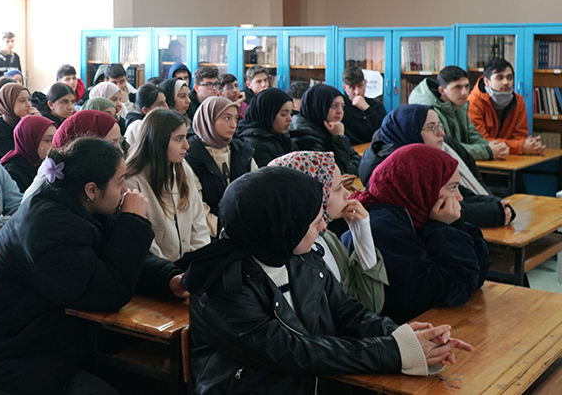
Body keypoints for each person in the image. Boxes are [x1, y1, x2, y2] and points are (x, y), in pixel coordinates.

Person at [183, 166, 473, 395]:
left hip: (317, 383)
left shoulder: (298, 254)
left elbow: (348, 311)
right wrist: (396, 352)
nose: (323, 226)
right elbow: (295, 352)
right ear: (281, 227)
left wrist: (403, 336)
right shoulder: (223, 287)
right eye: (312, 222)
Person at [0, 137, 186, 395]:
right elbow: (108, 291)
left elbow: (119, 259)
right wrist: (132, 221)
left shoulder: (81, 206)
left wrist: (168, 279)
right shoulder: (49, 227)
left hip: (49, 338)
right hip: (7, 353)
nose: (125, 190)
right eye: (119, 181)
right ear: (91, 189)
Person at [350, 144, 491, 324]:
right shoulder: (383, 228)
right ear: (422, 186)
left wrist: (451, 225)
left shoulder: (418, 212)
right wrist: (443, 229)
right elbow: (452, 291)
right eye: (453, 188)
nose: (460, 198)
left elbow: (478, 273)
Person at [268, 151, 387, 313]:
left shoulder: (327, 238)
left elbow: (369, 304)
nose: (347, 194)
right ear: (313, 196)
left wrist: (362, 234)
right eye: (337, 188)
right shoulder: (294, 256)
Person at [359, 104, 515, 228]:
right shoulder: (393, 169)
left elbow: (460, 190)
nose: (441, 133)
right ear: (410, 132)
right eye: (432, 128)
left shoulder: (441, 150)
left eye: (439, 126)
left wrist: (495, 203)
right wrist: (495, 212)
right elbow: (438, 208)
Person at [126, 109, 210, 261]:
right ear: (158, 141)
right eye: (179, 139)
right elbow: (147, 243)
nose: (187, 146)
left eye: (186, 137)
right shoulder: (132, 181)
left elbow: (198, 224)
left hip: (190, 266)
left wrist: (198, 262)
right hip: (160, 273)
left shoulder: (183, 169)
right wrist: (171, 272)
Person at [187, 96, 256, 237]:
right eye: (226, 118)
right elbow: (196, 205)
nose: (233, 125)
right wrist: (222, 229)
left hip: (244, 227)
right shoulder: (191, 154)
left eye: (235, 118)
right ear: (209, 120)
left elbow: (256, 189)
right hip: (207, 233)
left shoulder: (242, 150)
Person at [409, 65, 507, 161]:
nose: (464, 92)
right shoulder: (428, 112)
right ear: (442, 90)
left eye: (467, 86)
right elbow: (445, 148)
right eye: (457, 87)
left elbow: (473, 137)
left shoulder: (459, 105)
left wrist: (493, 147)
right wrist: (487, 151)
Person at [468, 57, 543, 155]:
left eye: (509, 78)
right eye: (500, 78)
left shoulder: (518, 101)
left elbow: (520, 136)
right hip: (485, 157)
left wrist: (522, 145)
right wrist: (520, 146)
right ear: (486, 81)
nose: (506, 82)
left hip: (509, 157)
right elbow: (482, 141)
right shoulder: (474, 102)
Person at [289, 83, 361, 175]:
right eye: (334, 106)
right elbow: (336, 173)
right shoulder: (303, 135)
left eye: (342, 106)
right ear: (318, 106)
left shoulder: (329, 127)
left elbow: (357, 160)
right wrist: (339, 137)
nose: (340, 111)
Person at [235, 87, 295, 166]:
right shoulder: (254, 144)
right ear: (267, 114)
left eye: (290, 113)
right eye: (284, 114)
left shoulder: (280, 134)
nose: (290, 119)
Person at [0, 115, 57, 192]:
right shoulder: (13, 173)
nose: (54, 145)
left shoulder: (49, 163)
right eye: (48, 140)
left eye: (55, 139)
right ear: (29, 141)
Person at [341, 66, 387, 145]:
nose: (357, 92)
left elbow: (384, 132)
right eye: (352, 88)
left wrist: (367, 109)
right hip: (349, 151)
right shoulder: (341, 106)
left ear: (365, 83)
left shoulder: (376, 106)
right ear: (345, 88)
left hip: (371, 151)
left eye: (360, 86)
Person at [0, 83, 35, 160]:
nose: (28, 105)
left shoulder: (25, 123)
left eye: (29, 100)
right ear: (8, 103)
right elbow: (20, 158)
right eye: (22, 101)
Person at [124, 83, 167, 147]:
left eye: (165, 102)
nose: (166, 107)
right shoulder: (138, 126)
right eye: (160, 105)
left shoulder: (160, 124)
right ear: (146, 110)